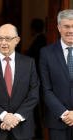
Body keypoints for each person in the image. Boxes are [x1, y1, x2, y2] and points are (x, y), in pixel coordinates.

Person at [0, 24, 39, 140]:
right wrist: (4, 116)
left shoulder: (29, 63)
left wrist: (16, 118)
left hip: (22, 127)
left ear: (17, 40)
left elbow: (33, 94)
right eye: (0, 38)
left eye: (8, 38)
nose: (3, 42)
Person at [39, 9, 73, 140]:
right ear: (59, 28)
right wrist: (64, 114)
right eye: (66, 26)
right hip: (57, 121)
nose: (70, 30)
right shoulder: (46, 53)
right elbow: (45, 89)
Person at [28, 19, 47, 139]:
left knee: (37, 105)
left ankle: (39, 129)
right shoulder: (43, 40)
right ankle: (39, 128)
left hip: (38, 78)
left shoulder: (39, 42)